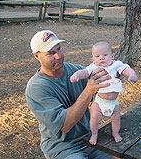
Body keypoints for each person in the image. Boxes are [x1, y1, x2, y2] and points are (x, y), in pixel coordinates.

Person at [25, 30, 116, 159]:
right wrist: (89, 90)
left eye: (59, 49)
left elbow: (101, 95)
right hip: (62, 147)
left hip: (89, 139)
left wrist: (112, 79)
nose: (58, 56)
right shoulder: (37, 88)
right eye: (51, 53)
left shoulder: (75, 70)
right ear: (36, 56)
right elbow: (64, 125)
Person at [70, 42, 138, 145]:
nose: (101, 58)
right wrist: (77, 75)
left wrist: (131, 74)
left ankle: (115, 133)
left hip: (114, 103)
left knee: (116, 119)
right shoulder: (93, 67)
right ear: (93, 59)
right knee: (94, 119)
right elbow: (84, 72)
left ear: (112, 56)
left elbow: (126, 69)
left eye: (105, 55)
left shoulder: (116, 65)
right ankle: (94, 134)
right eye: (97, 56)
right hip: (99, 102)